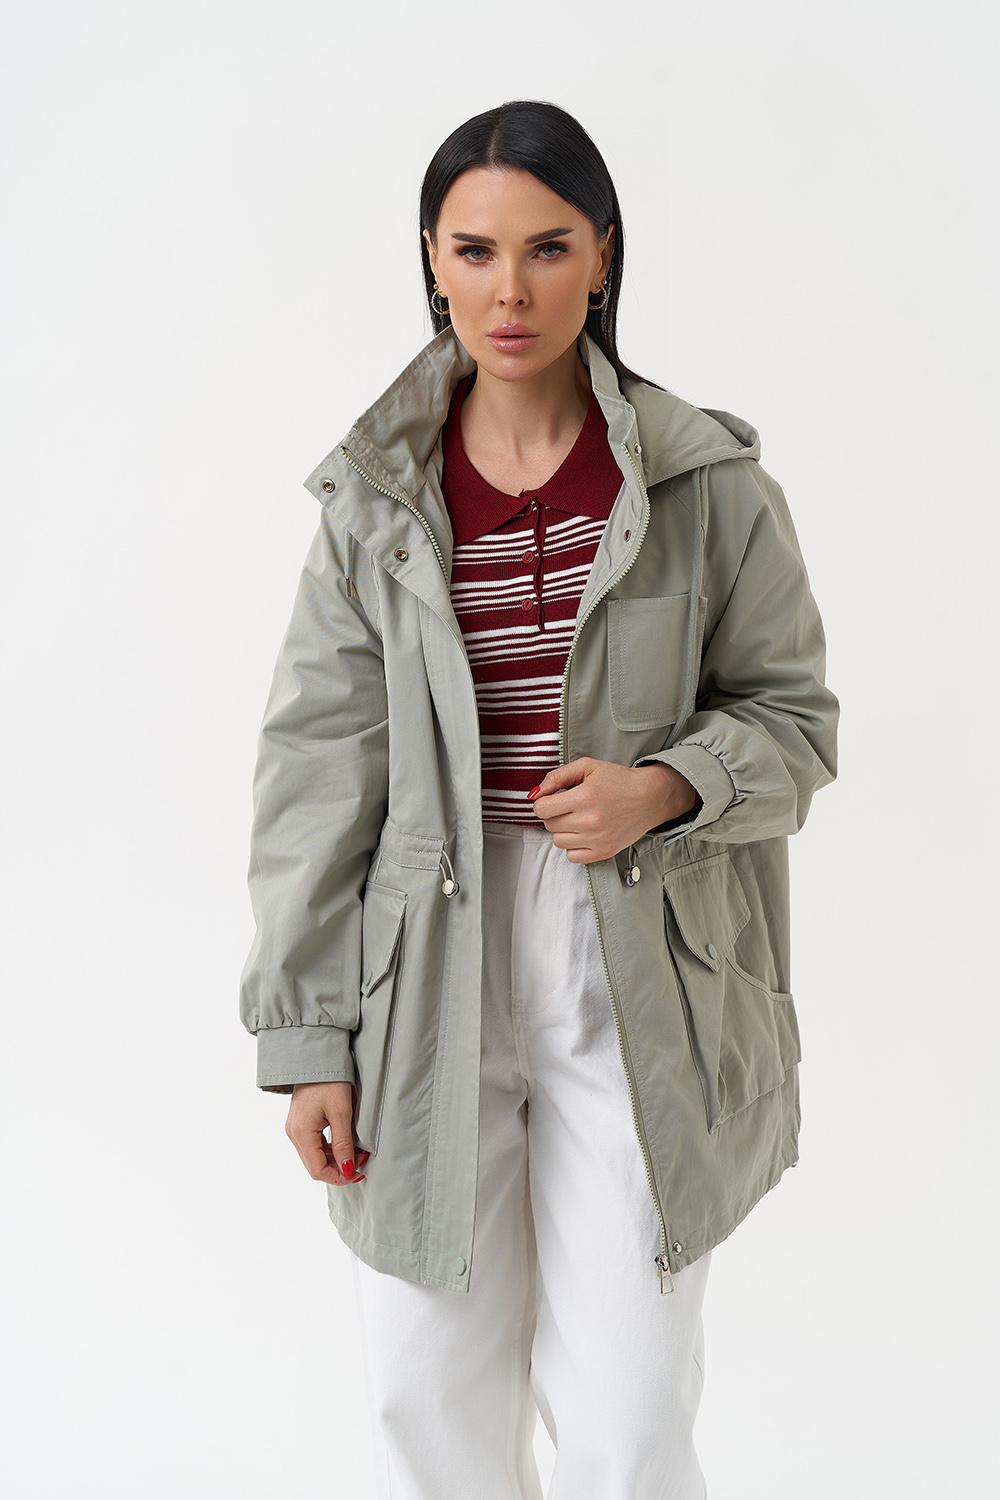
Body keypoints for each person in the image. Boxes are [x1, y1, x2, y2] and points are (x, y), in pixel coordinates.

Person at [239, 99, 839, 1500]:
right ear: (433, 262)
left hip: (640, 961)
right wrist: (310, 1038)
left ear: (604, 256)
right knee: (424, 1395)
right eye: (476, 250)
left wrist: (668, 787)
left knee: (629, 1412)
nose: (509, 289)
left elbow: (796, 723)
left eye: (548, 247)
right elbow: (315, 776)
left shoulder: (706, 486)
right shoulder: (373, 503)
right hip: (421, 971)